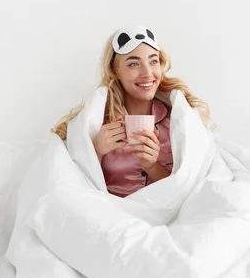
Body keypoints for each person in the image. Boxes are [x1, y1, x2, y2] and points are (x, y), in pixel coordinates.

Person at [53, 25, 213, 197]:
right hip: (109, 215)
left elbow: (185, 191)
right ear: (115, 71)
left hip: (162, 215)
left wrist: (152, 166)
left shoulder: (178, 122)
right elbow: (71, 184)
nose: (147, 73)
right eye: (133, 64)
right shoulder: (98, 123)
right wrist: (95, 151)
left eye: (153, 61)